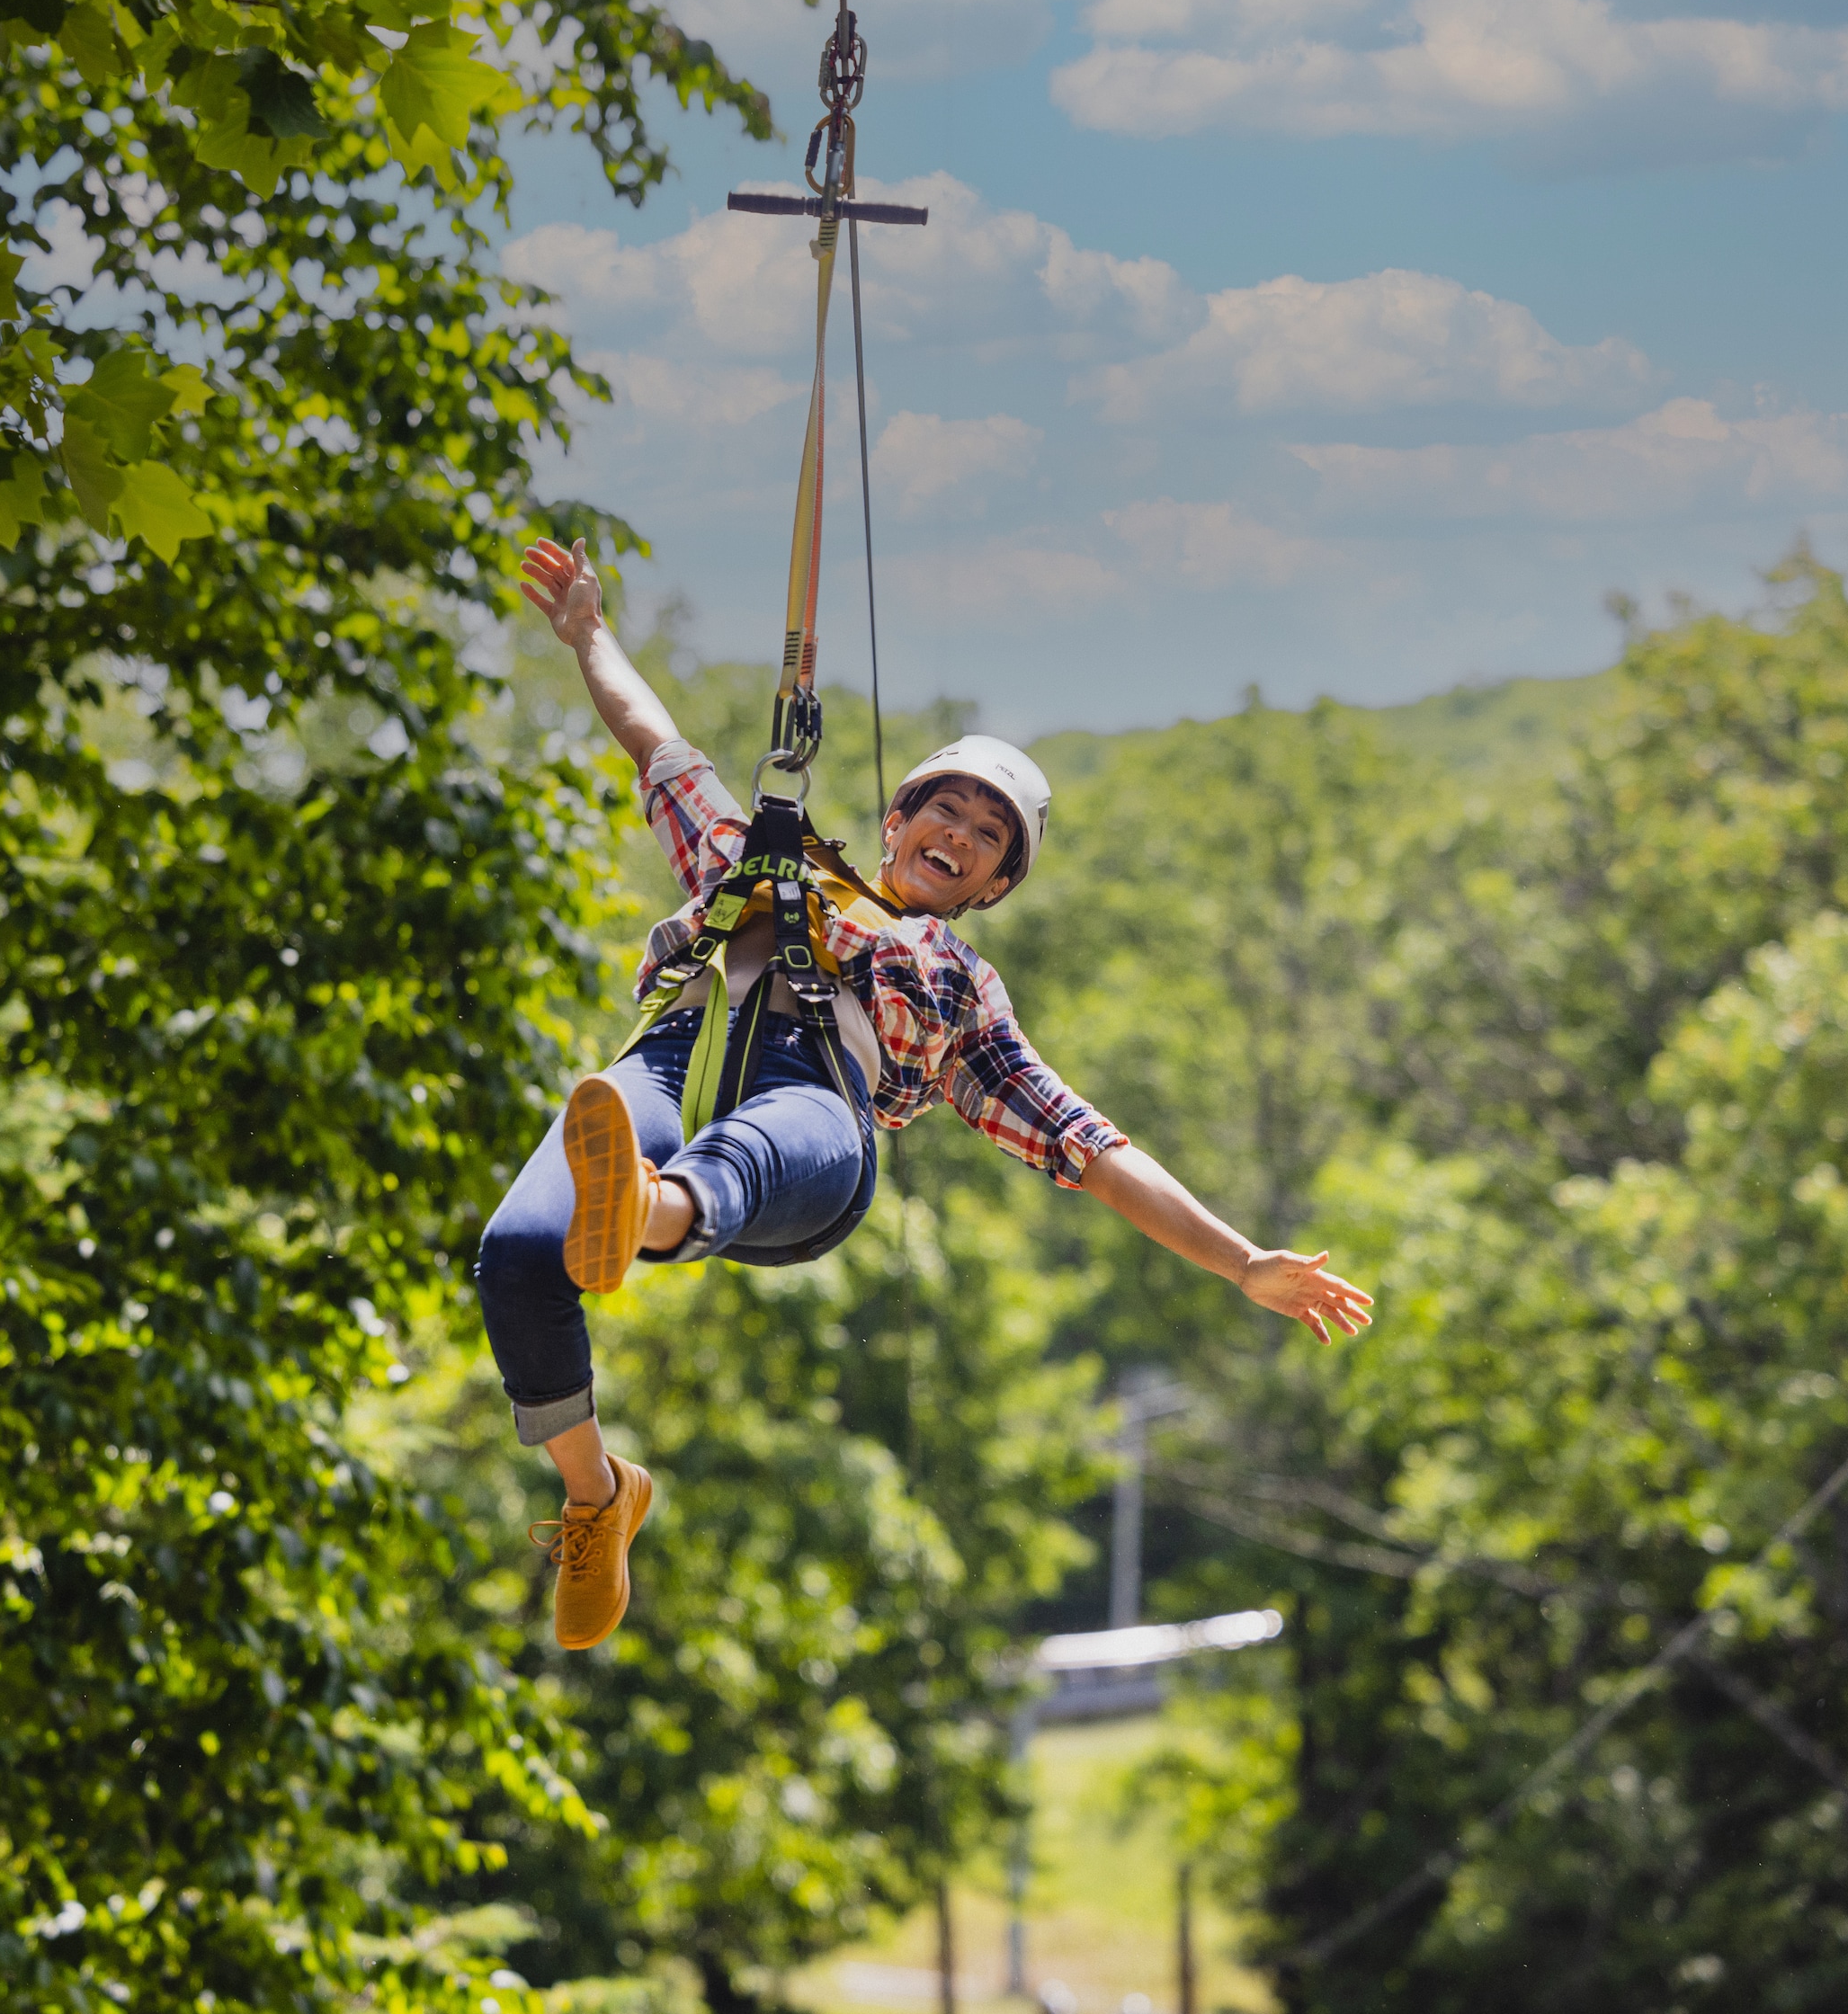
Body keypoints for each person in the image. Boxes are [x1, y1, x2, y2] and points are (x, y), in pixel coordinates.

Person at [482, 539, 1377, 1651]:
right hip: (674, 1061)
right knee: (517, 1250)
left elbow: (1089, 1145)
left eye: (988, 833)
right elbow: (657, 744)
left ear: (993, 884)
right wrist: (588, 633)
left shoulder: (960, 988)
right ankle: (597, 1492)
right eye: (943, 809)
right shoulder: (767, 856)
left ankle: (651, 1208)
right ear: (897, 822)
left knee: (755, 1141)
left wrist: (1241, 1261)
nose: (958, 832)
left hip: (816, 1115)